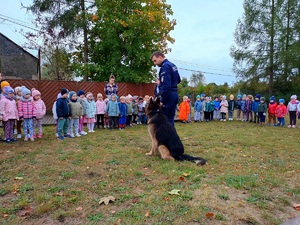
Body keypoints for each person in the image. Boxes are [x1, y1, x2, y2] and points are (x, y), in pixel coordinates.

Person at [151, 51, 181, 126]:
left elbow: (166, 85)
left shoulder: (165, 66)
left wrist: (162, 100)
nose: (155, 63)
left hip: (168, 96)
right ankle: (173, 137)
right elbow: (178, 80)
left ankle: (165, 138)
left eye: (155, 60)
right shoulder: (173, 65)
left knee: (164, 122)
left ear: (160, 57)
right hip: (174, 94)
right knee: (170, 120)